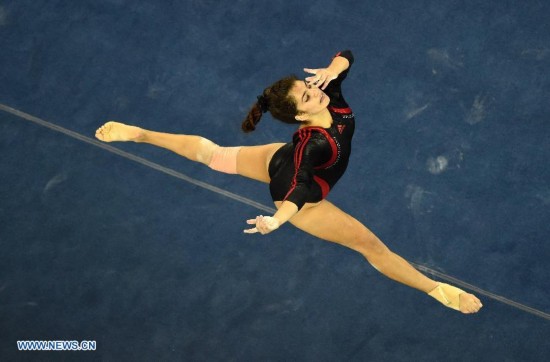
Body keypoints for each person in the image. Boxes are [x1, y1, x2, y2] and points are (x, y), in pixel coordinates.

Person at [95, 50, 483, 314]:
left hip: (273, 158)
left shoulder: (327, 96)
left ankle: (141, 134)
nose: (314, 90)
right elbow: (297, 186)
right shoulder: (312, 144)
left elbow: (346, 55)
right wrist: (278, 220)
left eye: (308, 85)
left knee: (213, 154)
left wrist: (335, 66)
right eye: (307, 95)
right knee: (369, 245)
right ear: (301, 117)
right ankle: (440, 292)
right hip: (301, 195)